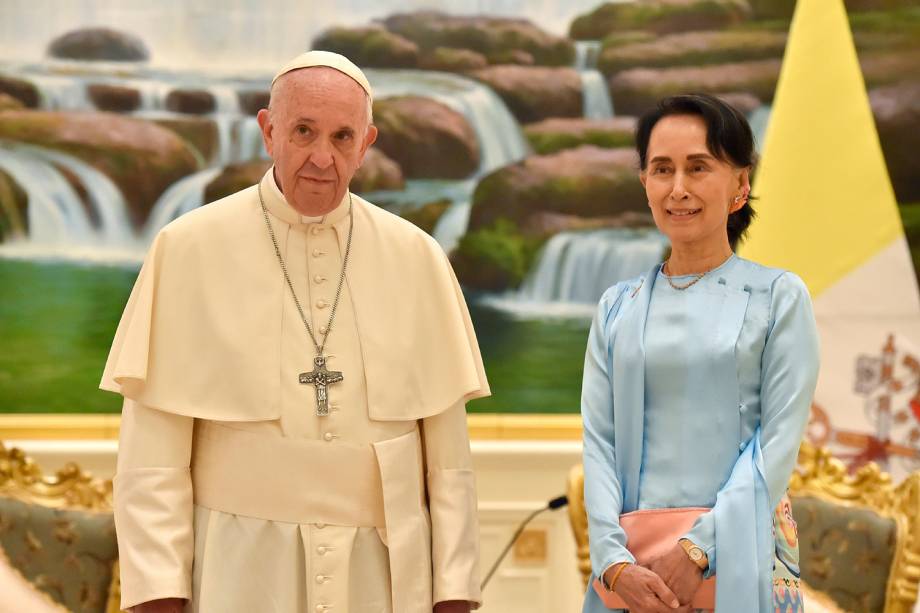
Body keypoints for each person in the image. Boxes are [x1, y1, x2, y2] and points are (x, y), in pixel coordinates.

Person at [101, 50, 489, 613]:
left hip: (381, 573)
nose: (321, 158)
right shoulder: (188, 249)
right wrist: (160, 594)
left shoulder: (417, 257)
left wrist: (453, 591)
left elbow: (449, 461)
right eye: (304, 132)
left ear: (367, 144)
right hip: (239, 568)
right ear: (268, 130)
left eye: (342, 137)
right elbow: (152, 455)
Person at [580, 94, 819, 613]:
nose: (679, 188)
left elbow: (774, 446)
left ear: (741, 184)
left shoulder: (779, 297)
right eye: (662, 169)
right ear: (644, 182)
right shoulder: (616, 307)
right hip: (630, 576)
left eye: (699, 167)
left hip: (741, 560)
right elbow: (598, 442)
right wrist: (613, 564)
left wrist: (698, 550)